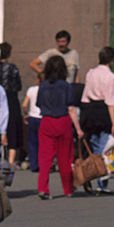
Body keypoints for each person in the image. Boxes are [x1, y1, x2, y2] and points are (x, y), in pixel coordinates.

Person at [37, 55, 84, 199]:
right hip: (63, 121)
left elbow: (39, 104)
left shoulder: (43, 86)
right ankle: (68, 189)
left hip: (46, 121)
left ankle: (43, 188)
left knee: (45, 158)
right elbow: (71, 109)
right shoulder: (66, 86)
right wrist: (78, 128)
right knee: (65, 157)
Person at [80, 46, 114, 195]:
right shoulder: (112, 77)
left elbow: (85, 95)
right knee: (105, 148)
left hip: (90, 110)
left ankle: (92, 174)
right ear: (111, 60)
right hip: (103, 111)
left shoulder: (90, 73)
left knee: (94, 147)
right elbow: (111, 101)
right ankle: (102, 183)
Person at [0, 42, 24, 165]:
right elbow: (19, 85)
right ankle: (11, 162)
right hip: (11, 99)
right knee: (12, 128)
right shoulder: (12, 68)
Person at [22, 76, 42, 172]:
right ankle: (43, 163)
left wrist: (26, 114)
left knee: (33, 142)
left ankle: (34, 164)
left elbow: (24, 105)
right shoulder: (47, 90)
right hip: (43, 118)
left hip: (33, 117)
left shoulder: (31, 90)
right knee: (43, 142)